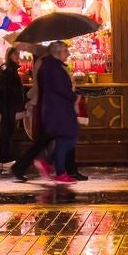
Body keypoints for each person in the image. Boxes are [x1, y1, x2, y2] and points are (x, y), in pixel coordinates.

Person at [33, 42, 82, 184]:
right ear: (59, 52)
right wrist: (74, 97)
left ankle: (50, 165)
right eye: (66, 51)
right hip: (58, 109)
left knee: (65, 138)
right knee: (67, 138)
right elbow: (60, 88)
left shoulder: (51, 66)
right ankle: (58, 171)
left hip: (56, 108)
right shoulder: (54, 68)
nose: (68, 54)